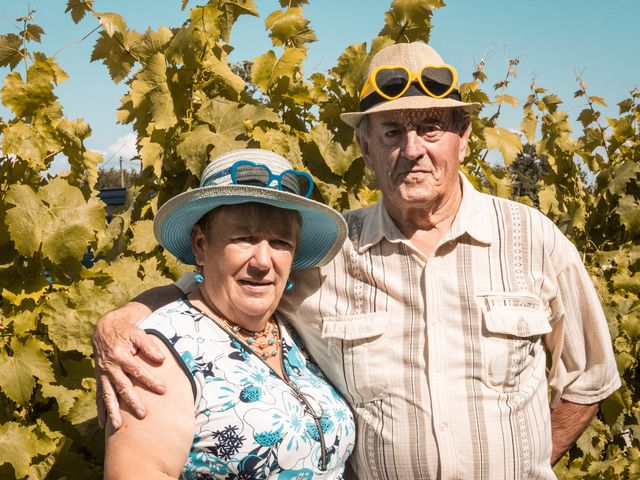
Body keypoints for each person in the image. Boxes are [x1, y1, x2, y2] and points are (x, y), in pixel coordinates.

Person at [94, 43, 620, 479]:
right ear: (365, 147)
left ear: (463, 138)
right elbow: (219, 287)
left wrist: (526, 463)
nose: (412, 149)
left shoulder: (534, 240)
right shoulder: (329, 255)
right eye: (391, 132)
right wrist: (130, 316)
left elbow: (589, 378)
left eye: (431, 127)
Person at [103, 149, 355, 479]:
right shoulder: (159, 355)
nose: (263, 261)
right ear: (200, 244)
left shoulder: (292, 328)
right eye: (244, 238)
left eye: (280, 242)